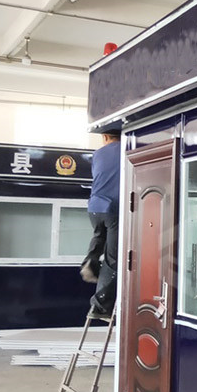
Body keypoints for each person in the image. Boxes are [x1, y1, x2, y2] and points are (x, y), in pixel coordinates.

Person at [80, 128, 121, 318]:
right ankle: (101, 305)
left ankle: (91, 260)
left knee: (99, 236)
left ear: (105, 137)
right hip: (114, 208)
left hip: (95, 207)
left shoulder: (97, 154)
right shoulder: (126, 150)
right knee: (113, 259)